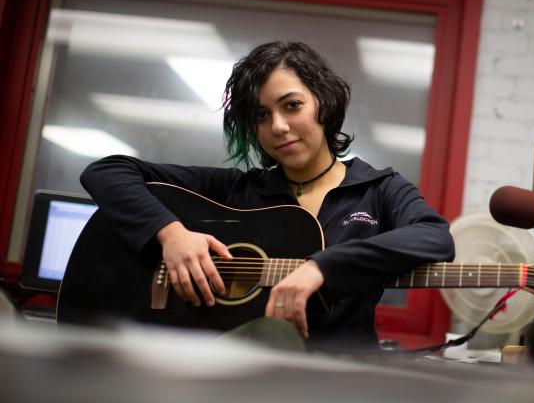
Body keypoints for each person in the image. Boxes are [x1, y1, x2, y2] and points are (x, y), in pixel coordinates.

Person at [80, 41, 454, 352]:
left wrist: (321, 267)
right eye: (261, 115)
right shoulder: (237, 192)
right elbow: (107, 171)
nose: (278, 126)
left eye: (292, 105)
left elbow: (435, 236)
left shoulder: (379, 190)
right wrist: (171, 235)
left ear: (323, 103)